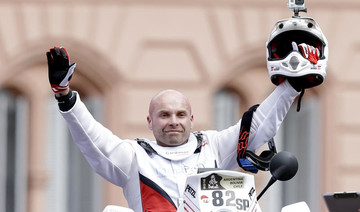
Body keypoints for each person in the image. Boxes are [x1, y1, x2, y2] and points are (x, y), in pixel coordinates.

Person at [46, 43, 318, 211]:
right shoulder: (133, 157)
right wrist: (65, 96)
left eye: (180, 114)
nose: (173, 121)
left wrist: (292, 85)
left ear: (191, 118)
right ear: (150, 122)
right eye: (164, 115)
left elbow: (259, 124)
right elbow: (92, 139)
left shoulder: (215, 146)